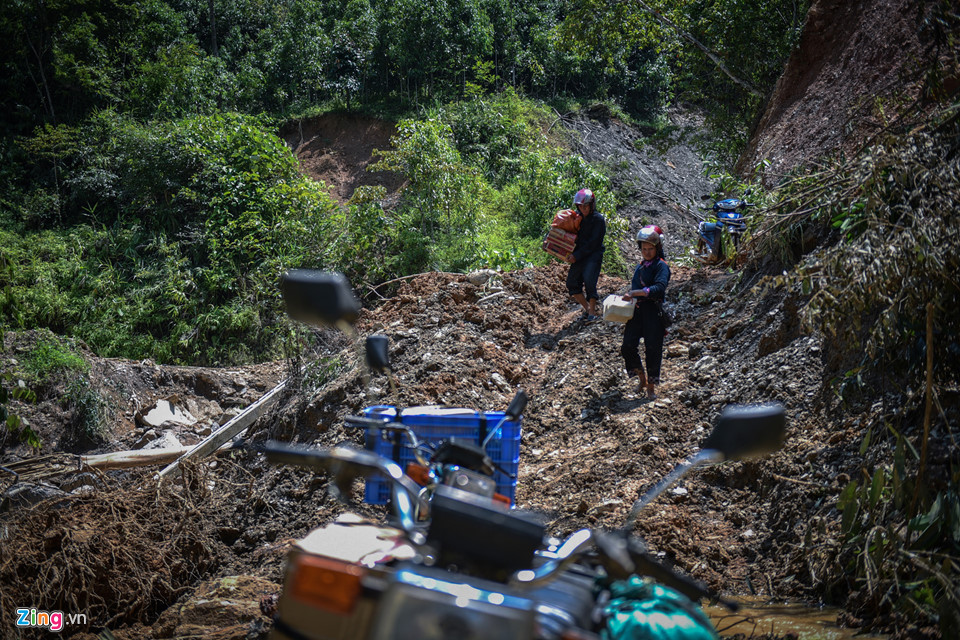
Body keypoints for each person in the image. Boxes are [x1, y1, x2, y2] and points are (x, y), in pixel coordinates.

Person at [621, 226, 670, 399]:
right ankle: (641, 377)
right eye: (644, 249)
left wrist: (637, 293)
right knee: (627, 346)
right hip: (637, 311)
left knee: (653, 349)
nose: (647, 252)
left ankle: (650, 386)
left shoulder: (661, 266)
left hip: (653, 312)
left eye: (650, 249)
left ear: (657, 248)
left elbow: (659, 288)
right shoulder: (640, 267)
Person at [564, 188, 606, 320]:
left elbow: (594, 243)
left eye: (586, 206)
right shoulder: (577, 218)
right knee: (571, 282)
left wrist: (577, 255)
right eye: (581, 206)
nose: (584, 209)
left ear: (592, 204)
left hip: (593, 255)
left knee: (589, 281)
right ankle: (587, 309)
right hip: (579, 255)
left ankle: (592, 312)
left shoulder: (598, 220)